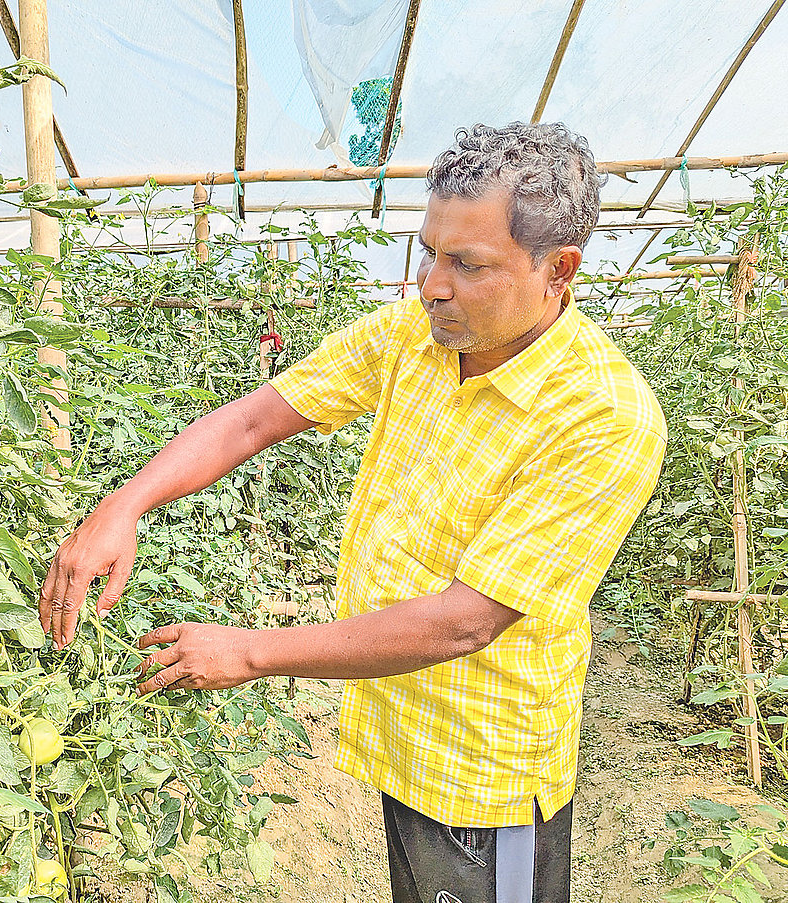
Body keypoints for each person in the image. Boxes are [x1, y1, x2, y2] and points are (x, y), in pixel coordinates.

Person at [38, 122, 666, 903]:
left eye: (467, 264)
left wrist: (252, 650)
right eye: (430, 249)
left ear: (558, 269)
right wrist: (122, 504)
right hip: (400, 729)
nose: (432, 283)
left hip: (482, 768)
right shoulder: (418, 335)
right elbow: (252, 420)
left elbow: (465, 620)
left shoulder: (602, 416)